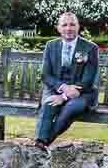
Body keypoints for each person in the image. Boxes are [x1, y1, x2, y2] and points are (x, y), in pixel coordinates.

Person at [34, 11, 98, 149]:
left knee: (70, 108)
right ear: (58, 28)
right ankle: (41, 142)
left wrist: (63, 97)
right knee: (48, 104)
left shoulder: (90, 48)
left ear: (78, 27)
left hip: (82, 93)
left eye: (72, 24)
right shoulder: (50, 46)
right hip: (55, 89)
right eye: (64, 25)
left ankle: (41, 143)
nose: (68, 28)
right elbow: (46, 75)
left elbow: (88, 80)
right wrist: (62, 88)